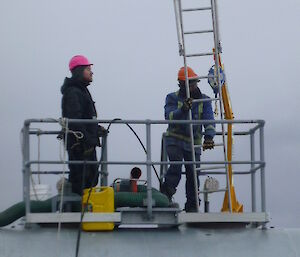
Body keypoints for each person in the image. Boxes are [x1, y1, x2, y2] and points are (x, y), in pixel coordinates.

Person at [161, 66, 216, 212]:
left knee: (193, 174)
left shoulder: (204, 100)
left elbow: (209, 119)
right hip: (175, 139)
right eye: (190, 83)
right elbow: (169, 117)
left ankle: (192, 205)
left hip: (194, 142)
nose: (193, 86)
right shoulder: (172, 98)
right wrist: (183, 109)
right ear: (181, 84)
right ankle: (164, 197)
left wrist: (209, 137)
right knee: (175, 168)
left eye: (194, 83)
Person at [60, 55, 106, 195]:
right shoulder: (74, 92)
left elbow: (84, 118)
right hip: (79, 146)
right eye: (88, 69)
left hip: (85, 143)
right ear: (79, 71)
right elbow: (75, 120)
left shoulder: (81, 90)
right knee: (82, 179)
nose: (91, 72)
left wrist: (96, 129)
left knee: (91, 178)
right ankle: (78, 209)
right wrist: (87, 139)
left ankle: (84, 207)